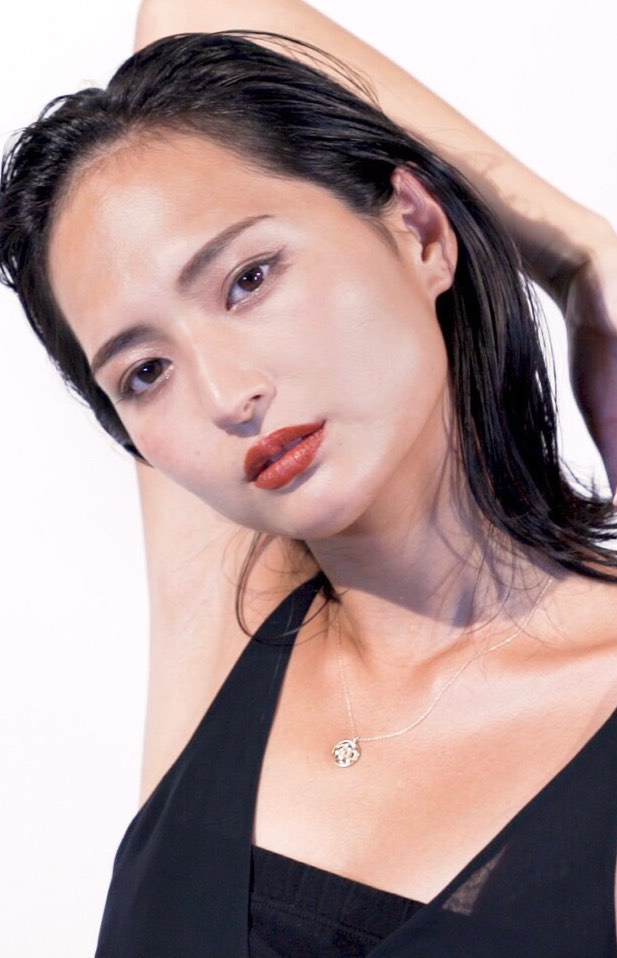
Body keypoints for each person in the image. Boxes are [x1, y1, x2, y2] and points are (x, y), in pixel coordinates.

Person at [1, 1, 616, 954]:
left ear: (418, 230)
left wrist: (583, 259)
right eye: (144, 372)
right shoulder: (229, 620)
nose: (227, 394)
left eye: (248, 279)